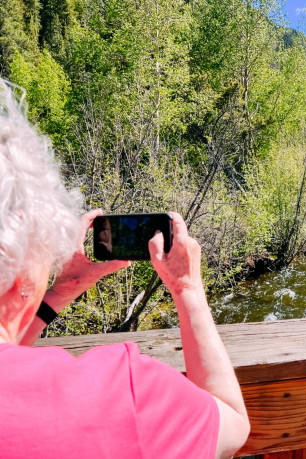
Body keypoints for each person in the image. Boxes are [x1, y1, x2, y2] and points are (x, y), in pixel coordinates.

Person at [0, 80, 250, 458]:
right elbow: (231, 424)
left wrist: (61, 291)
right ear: (20, 272)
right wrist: (188, 290)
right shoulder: (124, 394)